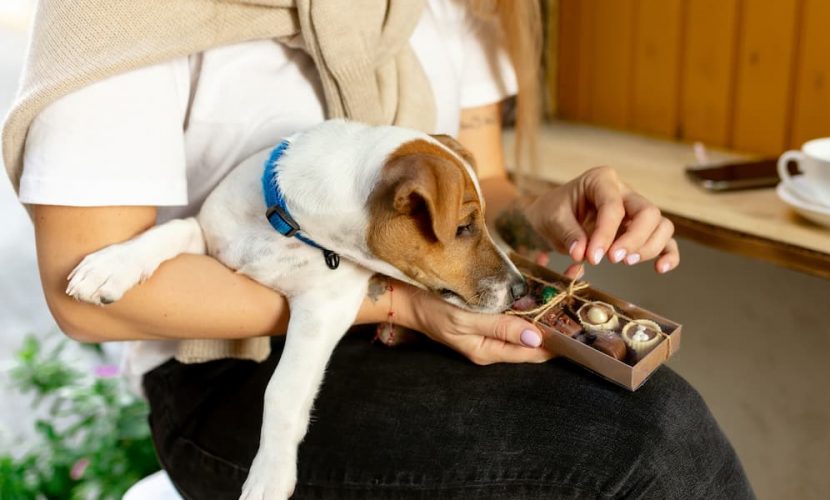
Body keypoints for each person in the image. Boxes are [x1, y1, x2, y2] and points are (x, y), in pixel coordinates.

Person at [3, 0, 754, 497]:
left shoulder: (449, 6)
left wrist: (541, 213)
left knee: (656, 414)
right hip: (230, 374)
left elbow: (475, 188)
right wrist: (399, 302)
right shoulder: (120, 12)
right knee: (650, 447)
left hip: (405, 329)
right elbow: (90, 293)